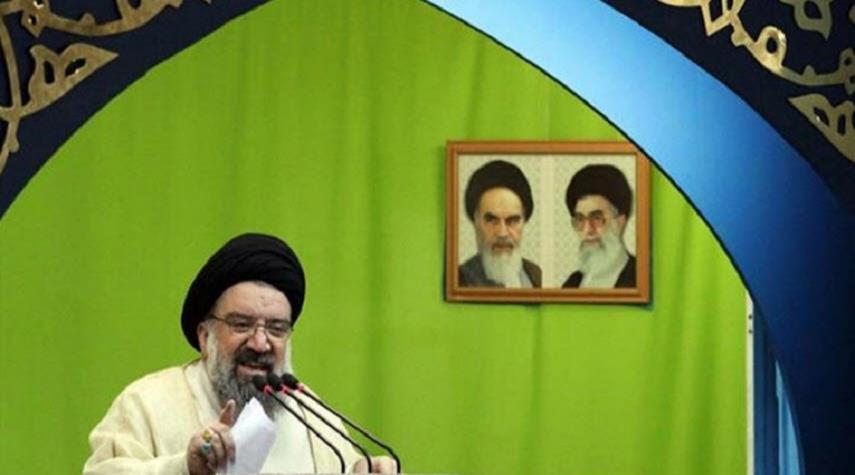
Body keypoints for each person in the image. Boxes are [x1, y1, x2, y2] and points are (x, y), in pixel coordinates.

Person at [84, 233, 396, 474]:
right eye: (242, 324)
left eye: (276, 328)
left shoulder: (314, 417)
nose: (260, 343)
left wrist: (365, 469)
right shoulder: (146, 405)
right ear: (205, 336)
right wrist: (184, 467)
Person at [458, 160, 542, 288]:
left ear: (524, 220)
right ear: (475, 221)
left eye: (512, 221)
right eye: (492, 220)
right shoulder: (459, 280)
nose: (502, 233)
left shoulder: (535, 275)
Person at [562, 164, 637, 288]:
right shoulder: (572, 284)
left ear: (620, 221)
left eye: (596, 218)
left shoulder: (640, 278)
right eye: (580, 219)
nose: (588, 230)